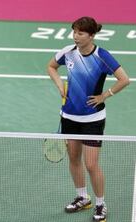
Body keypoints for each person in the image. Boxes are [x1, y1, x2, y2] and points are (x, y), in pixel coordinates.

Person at [47, 16, 130, 222]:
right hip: (69, 116)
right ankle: (83, 197)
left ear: (91, 35)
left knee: (91, 164)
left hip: (93, 118)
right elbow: (51, 66)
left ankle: (101, 204)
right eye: (74, 32)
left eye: (80, 33)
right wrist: (59, 85)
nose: (76, 36)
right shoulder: (67, 52)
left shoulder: (102, 56)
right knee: (74, 159)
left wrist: (105, 95)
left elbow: (124, 79)